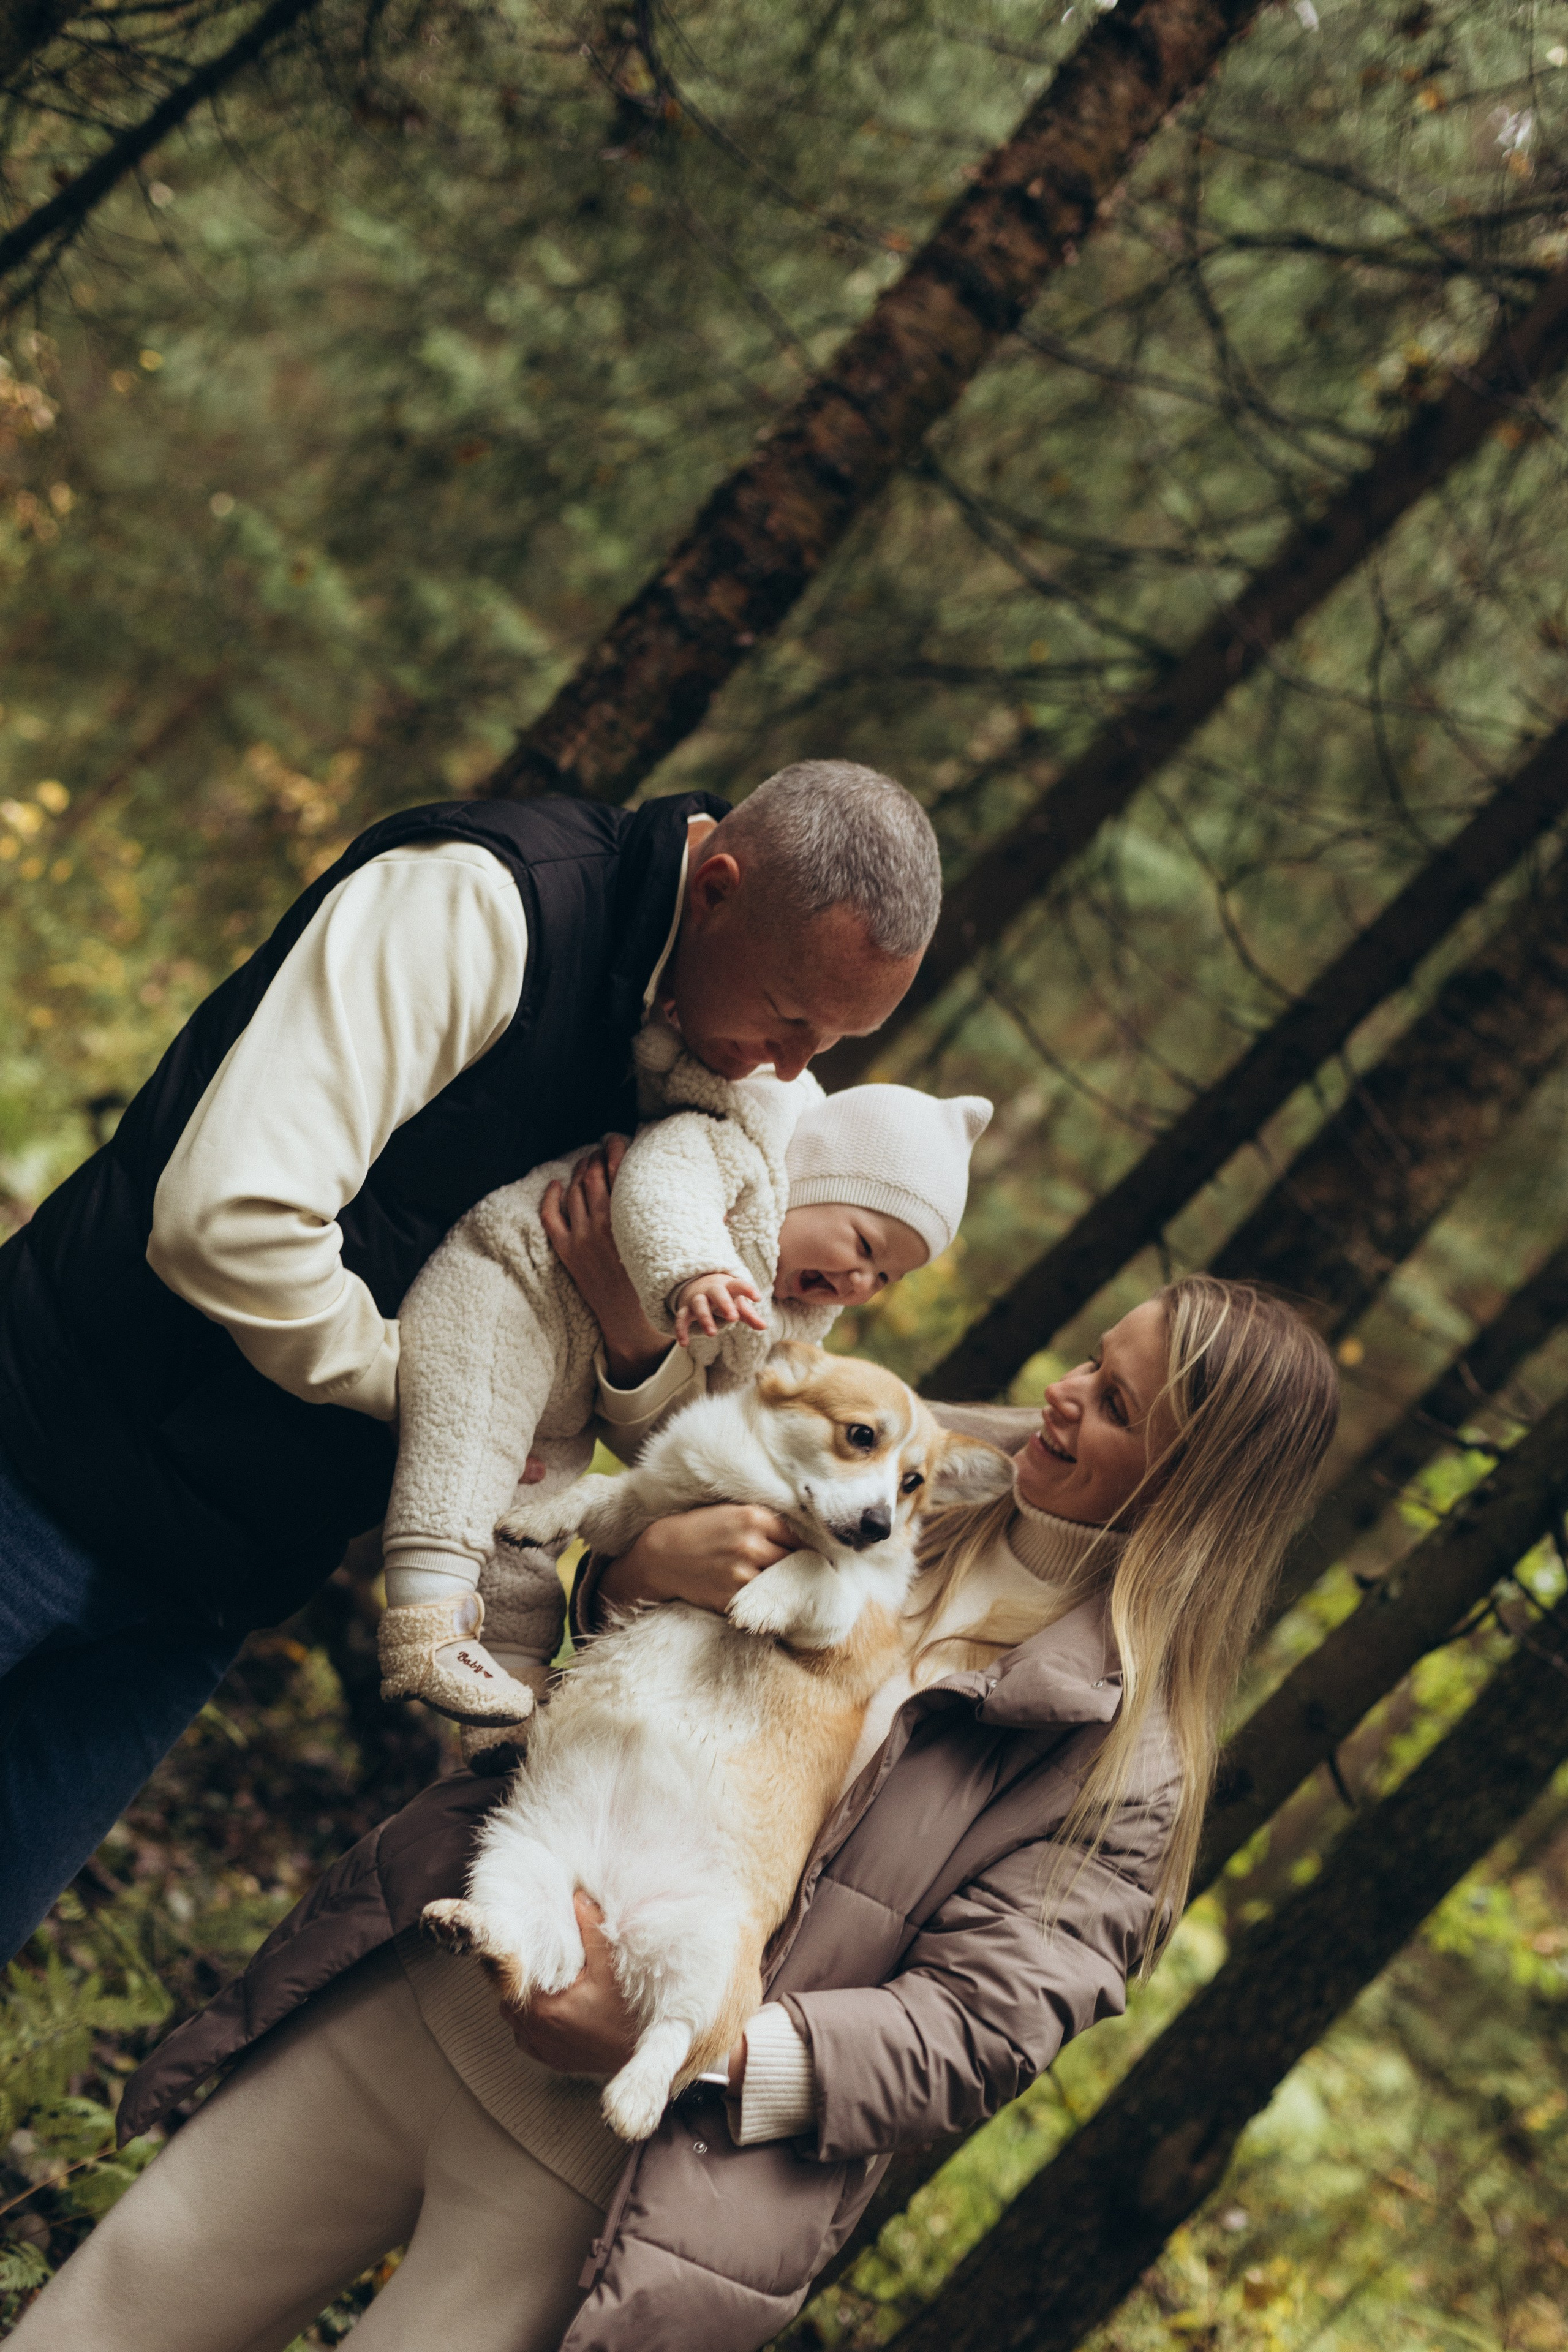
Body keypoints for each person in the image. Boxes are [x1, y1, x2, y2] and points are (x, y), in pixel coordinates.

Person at [9, 1275, 1338, 2352]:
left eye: (1115, 1405)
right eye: (1094, 1358)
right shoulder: (897, 1445)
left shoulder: (1127, 1761)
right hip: (445, 1968)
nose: (1062, 1394)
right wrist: (641, 1566)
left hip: (606, 2163)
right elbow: (618, 1627)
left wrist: (706, 2050)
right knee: (119, 2310)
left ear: (1187, 1491)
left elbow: (979, 2028)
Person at [0, 760, 942, 1959]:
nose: (792, 1068)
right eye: (790, 1016)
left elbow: (667, 1408)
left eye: (835, 1041)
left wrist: (631, 1329)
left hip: (217, 1581)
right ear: (715, 888)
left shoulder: (731, 1081)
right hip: (46, 1447)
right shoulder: (483, 904)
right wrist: (445, 1395)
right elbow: (229, 1220)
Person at [378, 1058, 990, 1729]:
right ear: (813, 1179)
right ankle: (427, 1613)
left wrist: (634, 1333)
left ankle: (511, 1678)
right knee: (466, 1455)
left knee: (527, 1533)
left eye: (885, 1278)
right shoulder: (737, 1163)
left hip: (568, 1405)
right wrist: (691, 1273)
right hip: (517, 1294)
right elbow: (659, 1186)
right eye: (865, 1246)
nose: (860, 1283)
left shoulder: (794, 1321)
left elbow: (701, 1417)